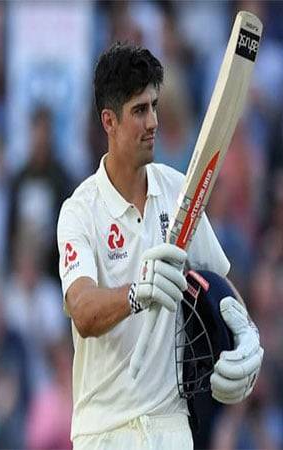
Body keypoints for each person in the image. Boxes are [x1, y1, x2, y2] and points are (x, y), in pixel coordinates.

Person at [56, 42, 263, 449]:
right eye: (139, 110)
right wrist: (137, 293)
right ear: (108, 121)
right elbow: (81, 309)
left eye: (154, 106)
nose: (153, 121)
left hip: (171, 425)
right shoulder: (80, 210)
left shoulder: (179, 190)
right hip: (105, 430)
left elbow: (218, 286)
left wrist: (248, 334)